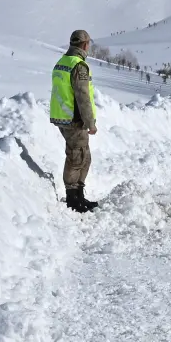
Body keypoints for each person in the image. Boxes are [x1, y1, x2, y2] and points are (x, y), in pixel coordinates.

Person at [49, 29, 99, 212]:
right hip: (73, 118)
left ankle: (79, 195)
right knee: (77, 157)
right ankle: (73, 199)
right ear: (85, 45)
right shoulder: (78, 65)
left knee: (83, 156)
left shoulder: (62, 62)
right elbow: (83, 96)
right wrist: (90, 122)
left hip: (63, 115)